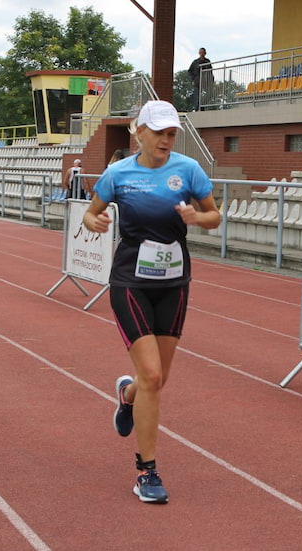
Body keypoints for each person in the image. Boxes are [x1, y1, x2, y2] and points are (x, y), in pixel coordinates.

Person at [82, 100, 221, 504]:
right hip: (130, 282)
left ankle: (126, 395)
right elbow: (92, 214)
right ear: (138, 132)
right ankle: (147, 471)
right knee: (153, 377)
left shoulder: (188, 171)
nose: (165, 139)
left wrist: (198, 218)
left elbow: (215, 215)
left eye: (171, 133)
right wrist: (97, 221)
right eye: (158, 131)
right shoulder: (118, 173)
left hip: (174, 283)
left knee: (154, 380)